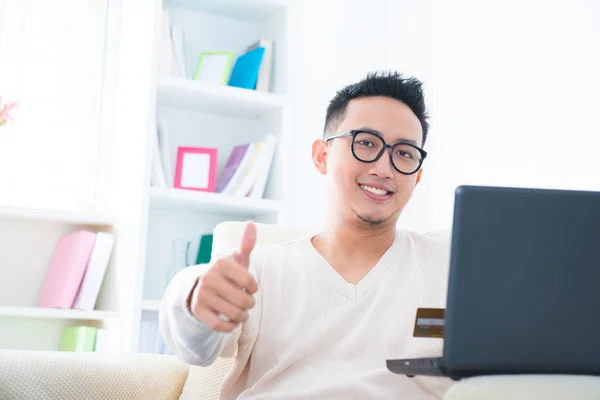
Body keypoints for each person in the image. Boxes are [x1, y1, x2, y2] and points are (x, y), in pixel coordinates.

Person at [159, 71, 453, 399]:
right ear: (322, 156)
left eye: (404, 153)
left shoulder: (452, 263)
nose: (384, 169)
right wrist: (195, 297)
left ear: (418, 176)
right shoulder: (260, 270)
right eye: (367, 143)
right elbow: (197, 348)